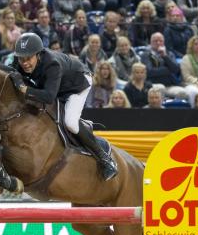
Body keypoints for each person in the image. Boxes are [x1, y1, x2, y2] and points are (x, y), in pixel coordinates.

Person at [9, 32, 118, 180]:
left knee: (71, 123)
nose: (25, 63)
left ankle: (105, 159)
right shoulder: (20, 61)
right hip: (57, 86)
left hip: (77, 84)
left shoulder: (52, 64)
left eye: (28, 58)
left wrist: (24, 89)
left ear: (39, 55)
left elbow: (48, 97)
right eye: (21, 59)